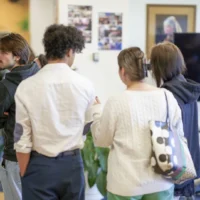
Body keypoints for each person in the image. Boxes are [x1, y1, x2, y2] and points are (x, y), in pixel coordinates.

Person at [14, 24, 95, 200]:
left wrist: (25, 173)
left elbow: (21, 138)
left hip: (38, 165)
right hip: (72, 164)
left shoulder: (27, 87)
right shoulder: (85, 85)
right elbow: (87, 126)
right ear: (69, 51)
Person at [91, 47, 184, 200]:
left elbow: (102, 140)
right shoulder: (167, 96)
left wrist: (96, 112)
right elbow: (179, 133)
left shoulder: (116, 101)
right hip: (161, 181)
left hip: (125, 184)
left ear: (122, 71)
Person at [151, 41, 200, 199]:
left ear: (159, 67)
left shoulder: (166, 95)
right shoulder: (188, 90)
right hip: (189, 170)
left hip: (173, 174)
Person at [0, 32, 39, 200]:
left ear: (16, 56)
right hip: (37, 155)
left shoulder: (9, 84)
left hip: (14, 156)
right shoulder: (36, 74)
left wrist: (6, 116)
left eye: (3, 52)